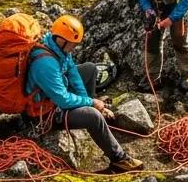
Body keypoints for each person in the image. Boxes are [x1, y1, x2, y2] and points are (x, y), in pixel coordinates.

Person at [25, 14, 143, 173]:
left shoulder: (59, 50)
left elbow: (73, 75)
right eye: (72, 44)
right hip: (46, 113)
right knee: (92, 115)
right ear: (62, 40)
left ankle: (97, 121)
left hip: (56, 98)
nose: (74, 48)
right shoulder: (45, 64)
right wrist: (92, 104)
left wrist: (89, 99)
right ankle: (119, 159)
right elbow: (63, 101)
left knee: (90, 68)